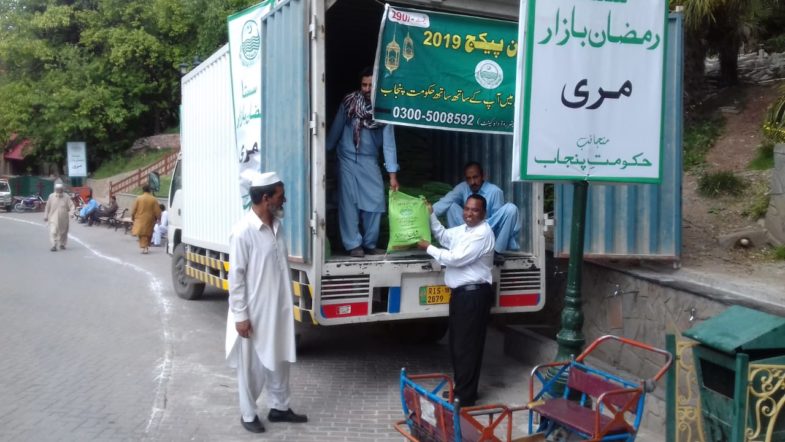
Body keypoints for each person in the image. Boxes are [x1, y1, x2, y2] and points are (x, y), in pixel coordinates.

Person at [225, 171, 307, 433]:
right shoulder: (243, 232)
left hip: (279, 308)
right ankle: (248, 414)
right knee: (251, 366)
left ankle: (279, 408)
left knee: (280, 359)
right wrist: (241, 316)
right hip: (254, 311)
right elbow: (236, 278)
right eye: (280, 196)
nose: (284, 201)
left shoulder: (277, 226)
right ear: (265, 198)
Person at [417, 194, 495, 407]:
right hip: (462, 295)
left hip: (473, 295)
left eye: (475, 210)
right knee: (458, 345)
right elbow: (444, 236)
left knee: (467, 346)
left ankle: (466, 397)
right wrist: (431, 215)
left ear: (484, 213)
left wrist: (428, 248)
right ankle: (462, 389)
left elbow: (456, 259)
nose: (469, 213)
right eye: (467, 209)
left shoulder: (482, 234)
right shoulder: (464, 230)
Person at [326, 67, 400, 258]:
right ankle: (353, 244)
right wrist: (325, 151)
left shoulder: (384, 109)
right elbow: (336, 128)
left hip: (369, 160)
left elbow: (389, 145)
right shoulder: (349, 103)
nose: (367, 89)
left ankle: (369, 244)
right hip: (347, 158)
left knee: (376, 200)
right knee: (348, 203)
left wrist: (392, 175)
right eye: (364, 85)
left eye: (371, 85)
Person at [432, 162, 521, 253]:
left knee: (511, 209)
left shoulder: (495, 191)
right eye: (469, 178)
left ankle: (496, 252)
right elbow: (445, 202)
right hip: (469, 229)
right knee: (451, 206)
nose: (472, 182)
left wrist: (484, 230)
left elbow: (498, 223)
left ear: (483, 176)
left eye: (475, 177)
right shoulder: (463, 187)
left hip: (488, 230)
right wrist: (428, 214)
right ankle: (457, 247)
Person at [43, 183, 75, 251]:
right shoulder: (51, 196)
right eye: (57, 189)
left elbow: (71, 205)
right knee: (53, 231)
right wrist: (45, 215)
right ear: (55, 189)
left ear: (62, 189)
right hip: (53, 217)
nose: (59, 191)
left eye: (60, 189)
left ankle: (62, 244)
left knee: (63, 232)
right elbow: (47, 207)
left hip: (64, 218)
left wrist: (71, 213)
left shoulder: (66, 196)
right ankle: (54, 245)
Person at [131, 185, 161, 254]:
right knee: (148, 233)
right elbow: (157, 210)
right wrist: (158, 218)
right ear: (149, 190)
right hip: (150, 219)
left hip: (140, 219)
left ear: (143, 190)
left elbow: (134, 209)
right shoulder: (153, 199)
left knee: (142, 234)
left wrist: (132, 217)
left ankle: (145, 247)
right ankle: (146, 247)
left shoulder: (139, 198)